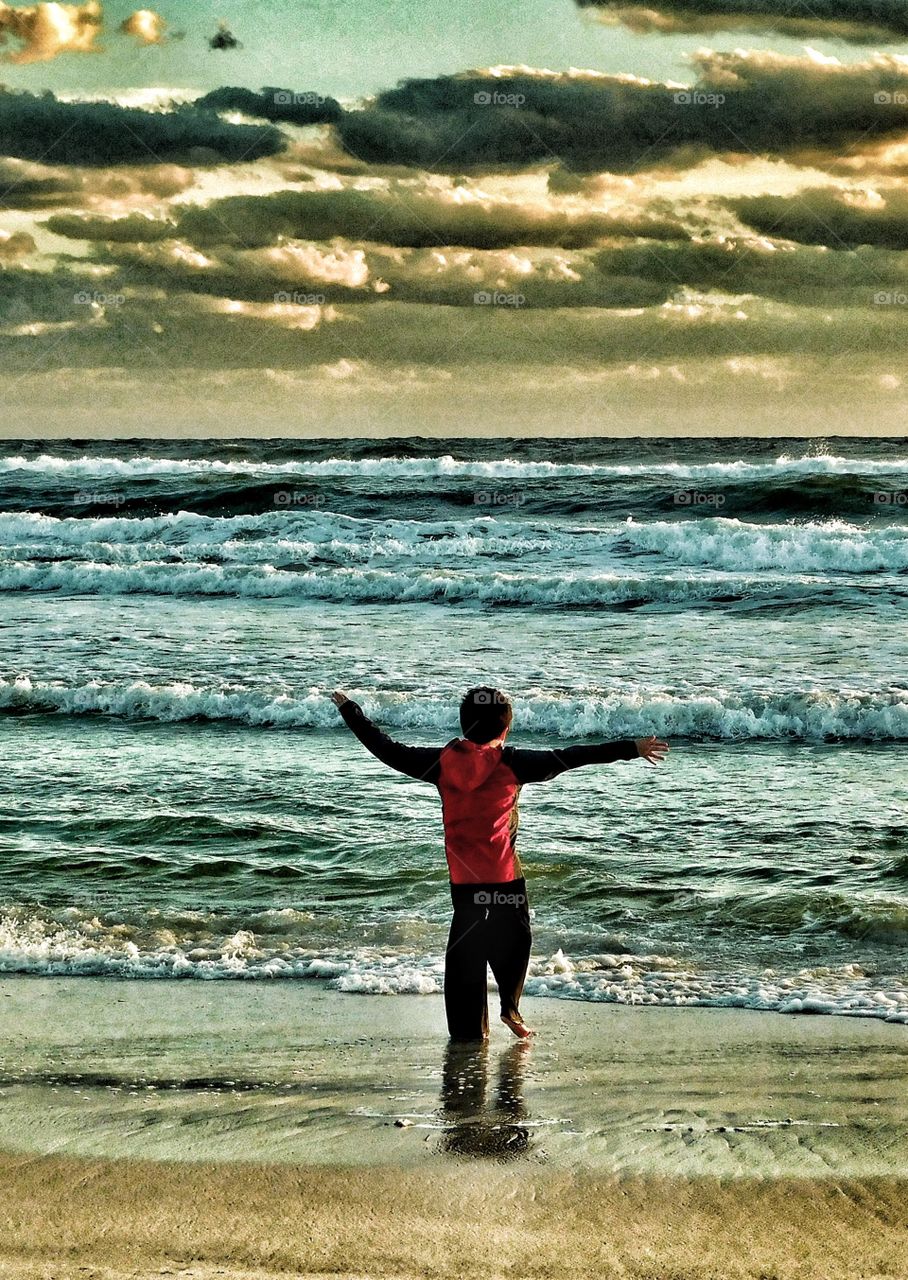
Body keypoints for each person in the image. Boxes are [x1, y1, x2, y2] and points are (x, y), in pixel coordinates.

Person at [331, 686, 668, 1042]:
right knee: (515, 942)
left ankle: (468, 1034)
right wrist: (631, 748)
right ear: (505, 730)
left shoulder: (441, 763)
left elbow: (386, 748)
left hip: (463, 884)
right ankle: (510, 1007)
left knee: (466, 953)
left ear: (463, 726)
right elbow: (574, 755)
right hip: (505, 880)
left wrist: (351, 710)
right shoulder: (513, 763)